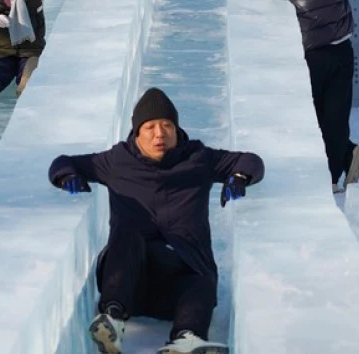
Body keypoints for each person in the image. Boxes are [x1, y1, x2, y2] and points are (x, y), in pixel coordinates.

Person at [50, 88, 263, 354]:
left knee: (203, 279)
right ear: (137, 133)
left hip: (176, 284)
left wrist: (240, 176)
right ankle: (111, 321)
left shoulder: (198, 158)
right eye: (150, 127)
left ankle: (187, 339)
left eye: (167, 126)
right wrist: (66, 176)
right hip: (128, 279)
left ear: (177, 129)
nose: (159, 134)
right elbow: (64, 162)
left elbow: (250, 160)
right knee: (127, 237)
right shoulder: (117, 161)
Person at [261, 0, 359, 193]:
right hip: (343, 49)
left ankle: (340, 162)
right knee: (336, 113)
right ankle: (339, 165)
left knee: (316, 116)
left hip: (314, 54)